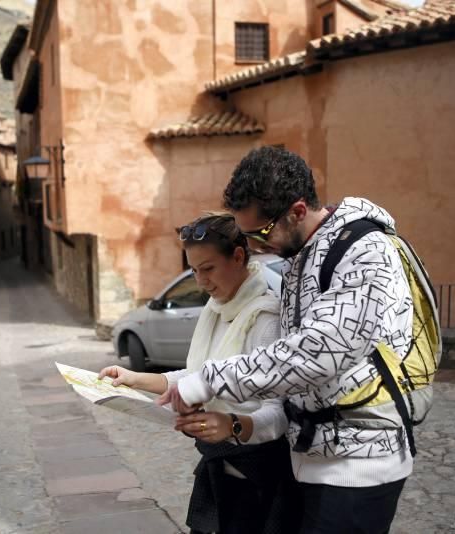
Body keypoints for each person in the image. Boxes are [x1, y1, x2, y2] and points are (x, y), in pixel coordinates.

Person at [159, 146, 415, 534]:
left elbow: (318, 352)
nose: (257, 248)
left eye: (261, 233)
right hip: (311, 460)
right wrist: (237, 423)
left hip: (359, 462)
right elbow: (289, 391)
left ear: (297, 211)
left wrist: (209, 379)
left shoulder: (366, 251)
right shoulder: (302, 256)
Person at [99, 213, 299, 534]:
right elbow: (197, 376)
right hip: (218, 470)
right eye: (194, 270)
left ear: (237, 257)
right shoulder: (216, 309)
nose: (201, 281)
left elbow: (279, 414)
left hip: (257, 478)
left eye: (208, 268)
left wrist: (231, 425)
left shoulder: (266, 319)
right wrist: (132, 378)